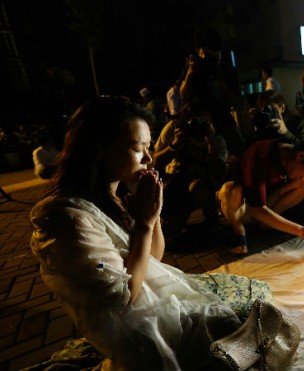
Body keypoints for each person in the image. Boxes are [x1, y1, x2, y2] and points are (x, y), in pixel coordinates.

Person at [29, 96, 242, 369]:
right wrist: (143, 223)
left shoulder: (115, 192)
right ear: (98, 149)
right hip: (129, 328)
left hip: (149, 298)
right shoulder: (65, 216)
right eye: (137, 148)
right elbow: (122, 295)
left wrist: (152, 218)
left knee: (242, 316)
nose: (149, 158)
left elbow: (153, 257)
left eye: (149, 147)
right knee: (231, 336)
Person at [217, 139, 304, 255]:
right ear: (301, 156)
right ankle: (239, 229)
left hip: (265, 200)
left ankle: (267, 223)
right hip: (241, 204)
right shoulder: (260, 155)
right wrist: (302, 231)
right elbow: (257, 209)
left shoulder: (303, 155)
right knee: (231, 190)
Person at [152, 100, 227, 244]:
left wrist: (211, 145)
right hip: (174, 184)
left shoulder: (216, 139)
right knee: (168, 237)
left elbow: (218, 172)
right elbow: (155, 161)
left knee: (199, 188)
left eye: (203, 119)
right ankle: (173, 218)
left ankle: (212, 220)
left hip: (201, 187)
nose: (197, 124)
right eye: (193, 119)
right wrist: (174, 146)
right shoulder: (174, 129)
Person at [179, 26, 245, 156]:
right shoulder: (195, 67)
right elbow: (183, 96)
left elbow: (236, 101)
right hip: (199, 123)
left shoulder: (227, 69)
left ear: (219, 52)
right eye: (205, 56)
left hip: (223, 121)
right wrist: (189, 75)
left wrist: (219, 80)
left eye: (212, 56)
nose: (208, 60)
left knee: (241, 154)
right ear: (198, 51)